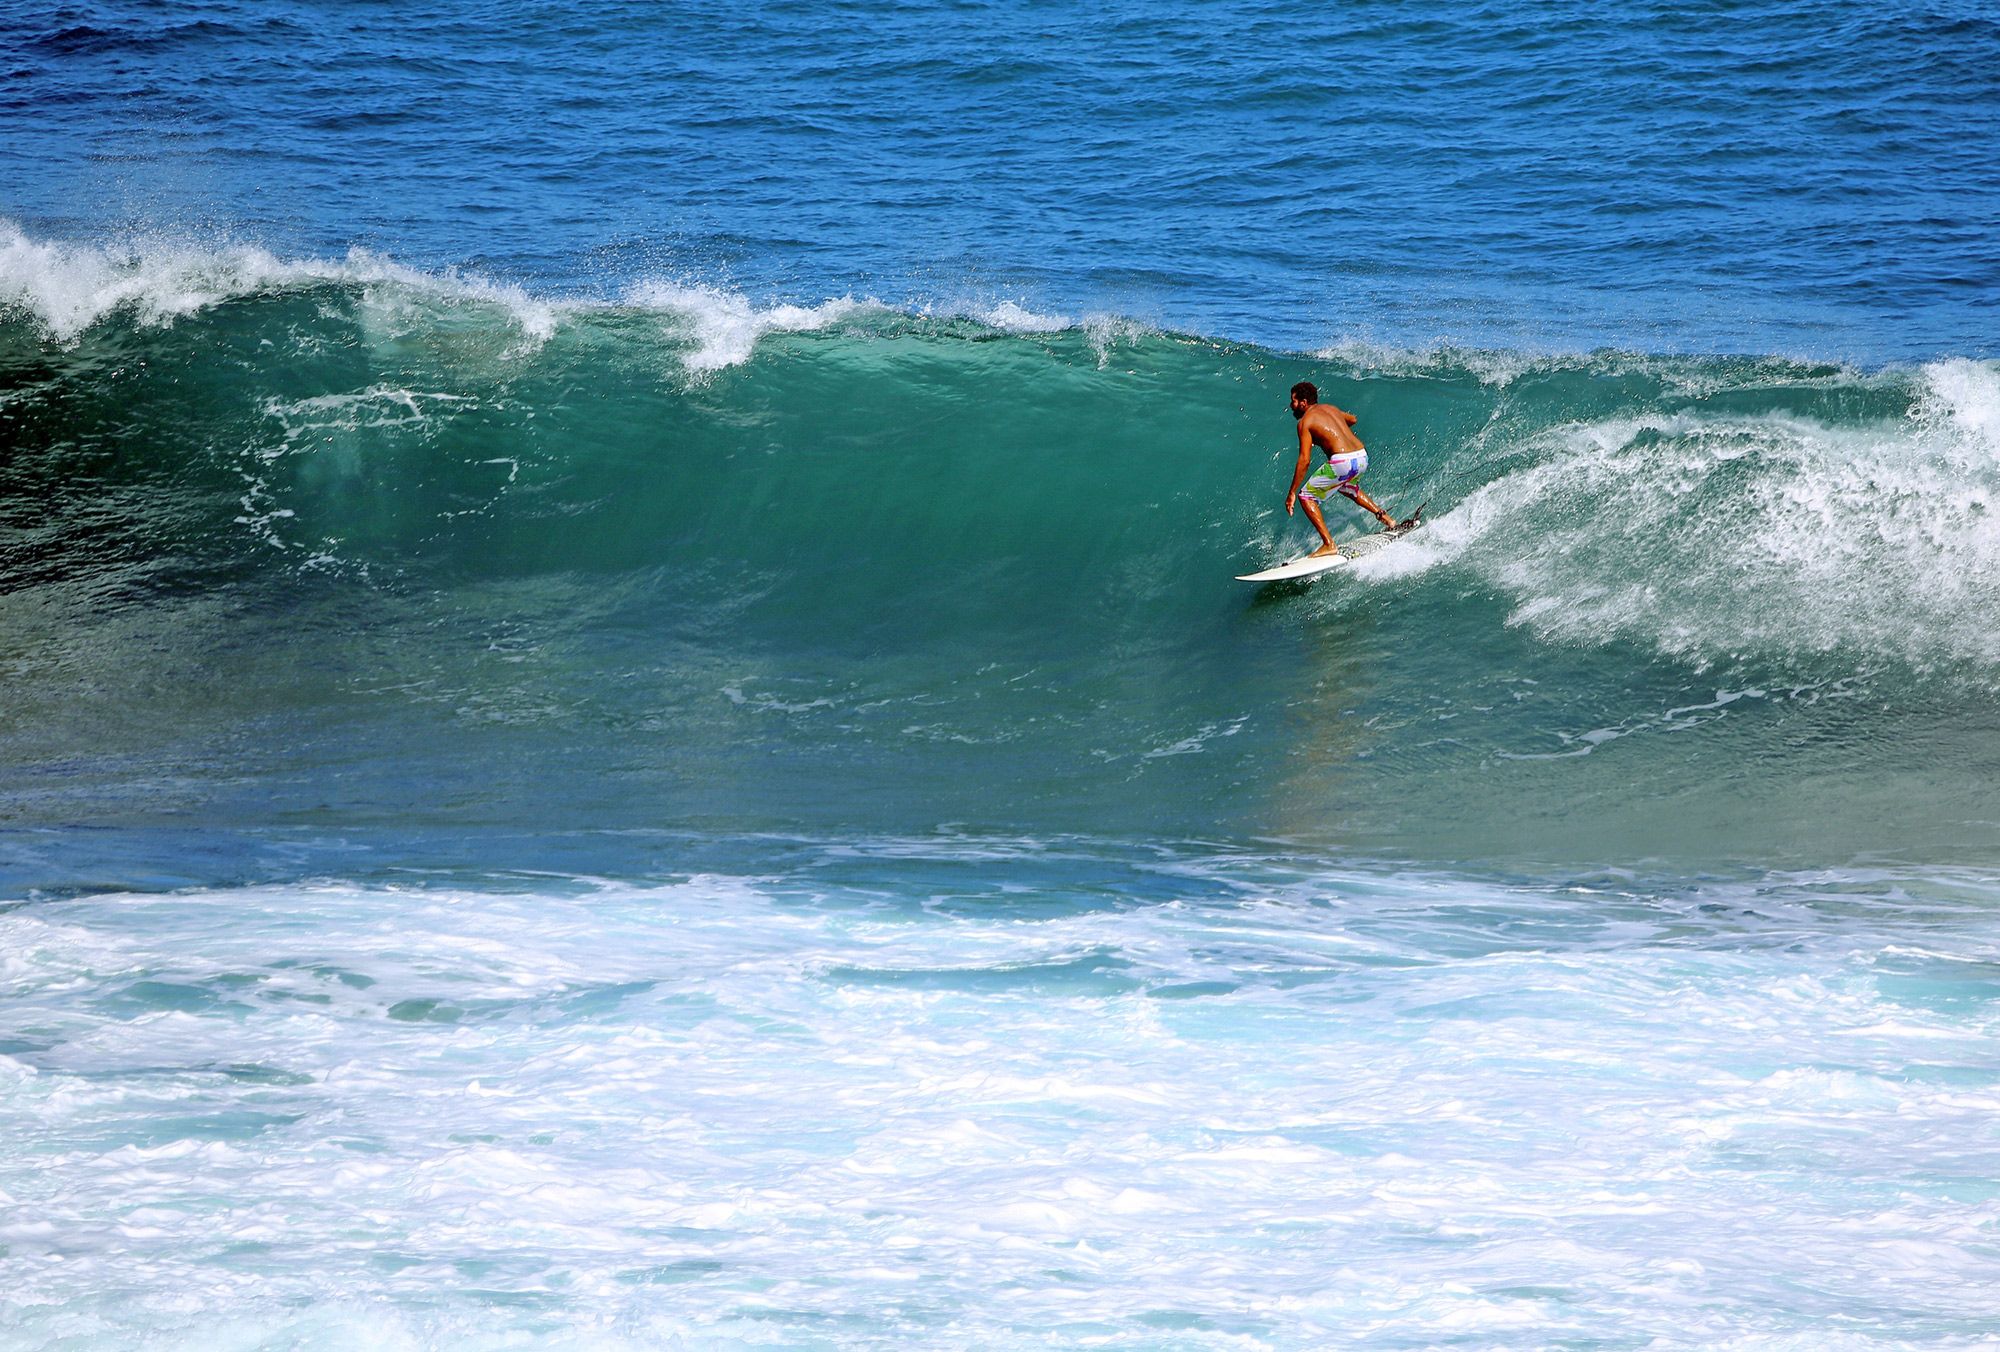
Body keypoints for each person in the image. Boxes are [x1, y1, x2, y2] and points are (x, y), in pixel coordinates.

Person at [1284, 381, 1401, 558]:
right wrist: (1331, 433)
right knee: (1347, 487)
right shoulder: (1330, 408)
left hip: (1343, 462)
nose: (1291, 405)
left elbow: (1305, 460)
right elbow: (1352, 419)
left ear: (1304, 402)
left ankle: (1329, 544)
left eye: (1293, 401)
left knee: (1306, 496)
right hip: (1361, 456)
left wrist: (1292, 492)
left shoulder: (1305, 422)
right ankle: (1387, 519)